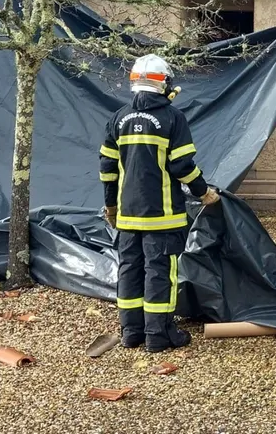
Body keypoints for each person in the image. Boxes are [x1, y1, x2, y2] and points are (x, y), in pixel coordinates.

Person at [98, 54, 220, 352]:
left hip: (127, 216)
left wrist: (111, 207)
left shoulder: (118, 118)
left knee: (129, 269)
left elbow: (108, 169)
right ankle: (159, 335)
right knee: (160, 272)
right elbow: (182, 166)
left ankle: (131, 333)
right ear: (165, 83)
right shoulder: (172, 118)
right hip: (162, 217)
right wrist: (203, 192)